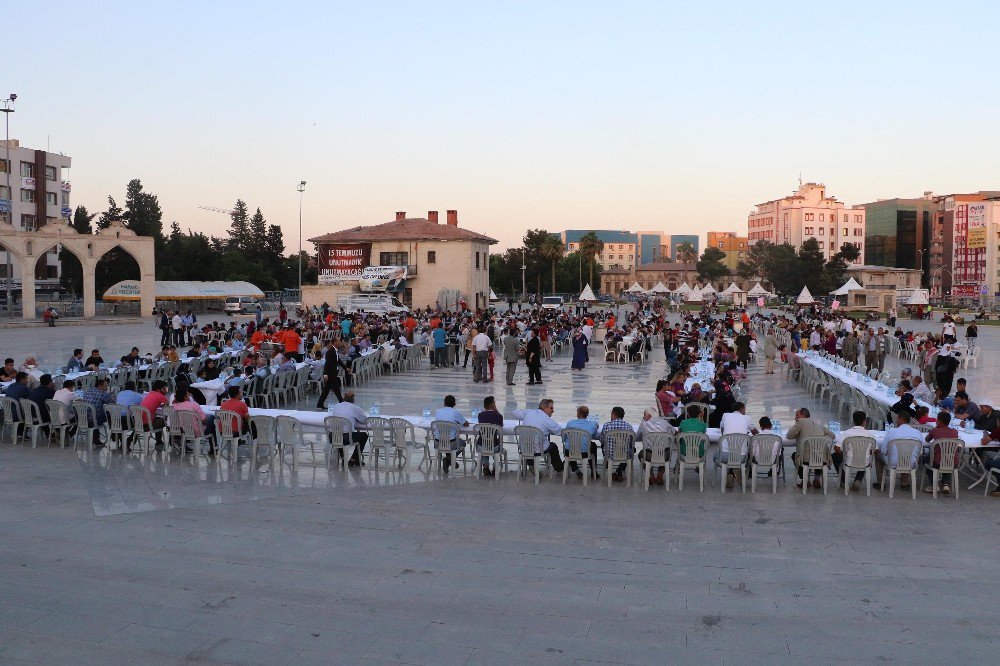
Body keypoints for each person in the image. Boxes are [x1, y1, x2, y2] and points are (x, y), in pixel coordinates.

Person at [512, 398, 565, 474]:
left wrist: (526, 415)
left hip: (524, 448)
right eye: (551, 408)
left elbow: (514, 412)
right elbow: (560, 432)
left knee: (532, 444)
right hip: (538, 450)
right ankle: (559, 468)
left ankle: (531, 464)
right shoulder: (547, 420)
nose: (553, 411)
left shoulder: (529, 412)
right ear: (544, 407)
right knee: (553, 446)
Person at [786, 407, 835, 489]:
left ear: (803, 415)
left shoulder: (800, 422)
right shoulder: (819, 425)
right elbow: (832, 435)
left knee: (795, 455)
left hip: (806, 460)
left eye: (797, 415)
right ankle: (816, 478)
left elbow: (789, 435)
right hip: (822, 459)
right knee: (818, 453)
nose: (795, 418)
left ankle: (805, 480)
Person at [875, 410, 923, 489]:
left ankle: (880, 483)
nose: (896, 422)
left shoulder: (892, 431)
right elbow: (920, 452)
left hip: (893, 463)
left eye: (897, 419)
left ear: (901, 419)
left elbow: (884, 451)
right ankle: (904, 482)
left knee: (878, 455)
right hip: (911, 463)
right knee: (908, 456)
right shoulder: (917, 433)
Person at [715, 402, 757, 488]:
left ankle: (730, 472)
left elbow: (722, 430)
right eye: (744, 409)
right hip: (740, 457)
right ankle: (734, 470)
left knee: (716, 456)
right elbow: (755, 432)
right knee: (746, 455)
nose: (745, 410)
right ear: (741, 409)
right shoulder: (747, 418)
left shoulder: (725, 415)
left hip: (724, 455)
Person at [922, 411, 959, 494]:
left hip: (937, 462)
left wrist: (935, 430)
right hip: (953, 462)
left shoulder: (935, 430)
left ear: (939, 421)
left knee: (925, 459)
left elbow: (927, 439)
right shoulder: (954, 431)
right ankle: (946, 484)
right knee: (948, 459)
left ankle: (933, 485)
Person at [835, 410, 872, 491]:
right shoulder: (869, 434)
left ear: (853, 421)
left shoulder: (847, 433)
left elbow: (837, 448)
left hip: (849, 461)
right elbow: (874, 450)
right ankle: (858, 479)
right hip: (864, 462)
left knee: (834, 456)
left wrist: (845, 453)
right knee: (864, 457)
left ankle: (844, 479)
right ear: (864, 421)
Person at [638, 405, 674, 485]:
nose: (643, 418)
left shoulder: (644, 424)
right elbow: (674, 433)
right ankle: (660, 475)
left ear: (649, 416)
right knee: (668, 454)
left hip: (649, 455)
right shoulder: (665, 423)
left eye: (644, 415)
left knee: (641, 454)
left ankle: (651, 475)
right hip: (664, 455)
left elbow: (637, 437)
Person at [433, 394, 469, 472]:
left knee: (447, 439)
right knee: (463, 442)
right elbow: (466, 424)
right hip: (451, 444)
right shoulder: (455, 412)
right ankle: (450, 459)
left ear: (444, 403)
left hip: (437, 442)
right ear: (454, 404)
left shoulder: (438, 411)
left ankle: (448, 459)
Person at [600, 406, 635, 483]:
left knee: (603, 444)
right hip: (625, 455)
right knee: (630, 449)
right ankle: (620, 470)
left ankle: (608, 463)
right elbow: (632, 442)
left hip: (610, 454)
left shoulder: (607, 426)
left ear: (613, 414)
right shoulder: (629, 427)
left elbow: (602, 440)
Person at [564, 405, 600, 480]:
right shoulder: (592, 424)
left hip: (569, 452)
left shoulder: (570, 423)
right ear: (587, 414)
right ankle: (594, 471)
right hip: (584, 453)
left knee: (571, 446)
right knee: (592, 445)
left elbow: (564, 438)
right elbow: (595, 434)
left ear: (578, 413)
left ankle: (576, 469)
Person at [476, 395, 504, 476]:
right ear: (493, 405)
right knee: (494, 443)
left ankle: (485, 465)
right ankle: (495, 467)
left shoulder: (480, 415)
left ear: (484, 406)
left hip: (482, 446)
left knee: (485, 443)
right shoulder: (498, 416)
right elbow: (501, 426)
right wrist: (496, 411)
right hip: (494, 446)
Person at [82, 377, 114, 448]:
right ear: (100, 386)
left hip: (83, 420)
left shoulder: (87, 391)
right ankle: (114, 433)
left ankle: (96, 439)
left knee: (97, 412)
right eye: (105, 386)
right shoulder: (102, 393)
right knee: (109, 413)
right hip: (93, 420)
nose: (107, 388)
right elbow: (112, 403)